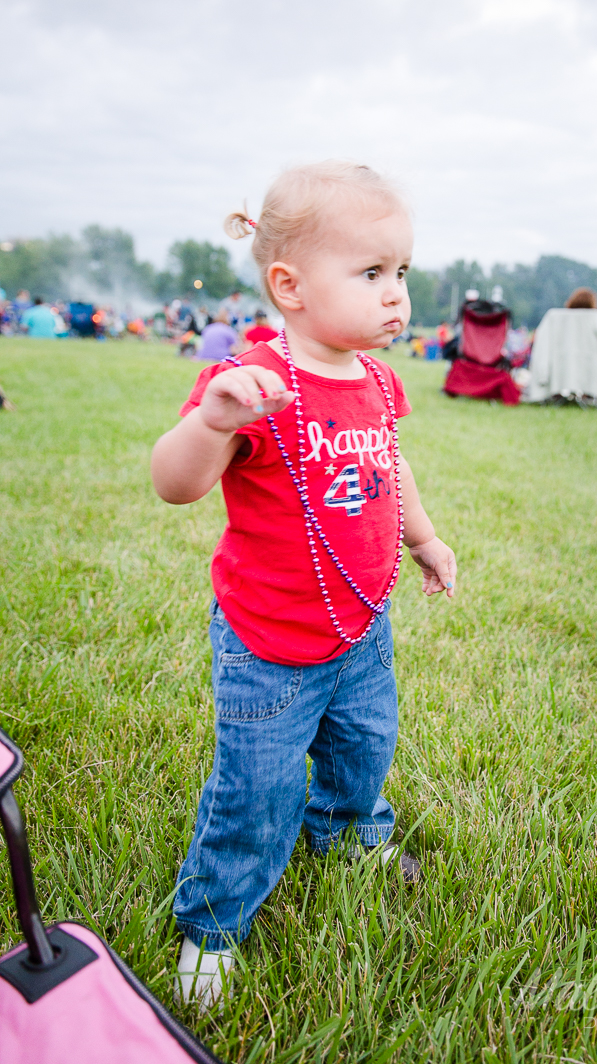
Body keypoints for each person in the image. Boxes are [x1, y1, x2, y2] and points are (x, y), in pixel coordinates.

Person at [150, 161, 456, 1006]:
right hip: (269, 641)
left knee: (365, 746)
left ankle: (349, 831)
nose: (396, 295)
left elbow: (389, 466)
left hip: (361, 626)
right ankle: (212, 923)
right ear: (288, 285)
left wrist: (422, 539)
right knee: (257, 786)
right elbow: (174, 484)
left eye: (400, 272)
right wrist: (214, 421)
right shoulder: (250, 382)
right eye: (370, 274)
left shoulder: (378, 381)